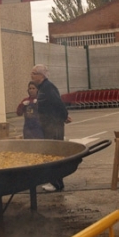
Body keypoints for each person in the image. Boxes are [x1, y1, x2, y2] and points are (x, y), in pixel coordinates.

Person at [31, 64, 72, 192]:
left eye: (33, 73)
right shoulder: (42, 87)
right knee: (50, 152)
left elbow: (58, 103)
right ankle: (54, 181)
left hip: (53, 125)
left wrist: (64, 116)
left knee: (53, 152)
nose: (31, 76)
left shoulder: (48, 87)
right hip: (48, 125)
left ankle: (56, 183)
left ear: (41, 75)